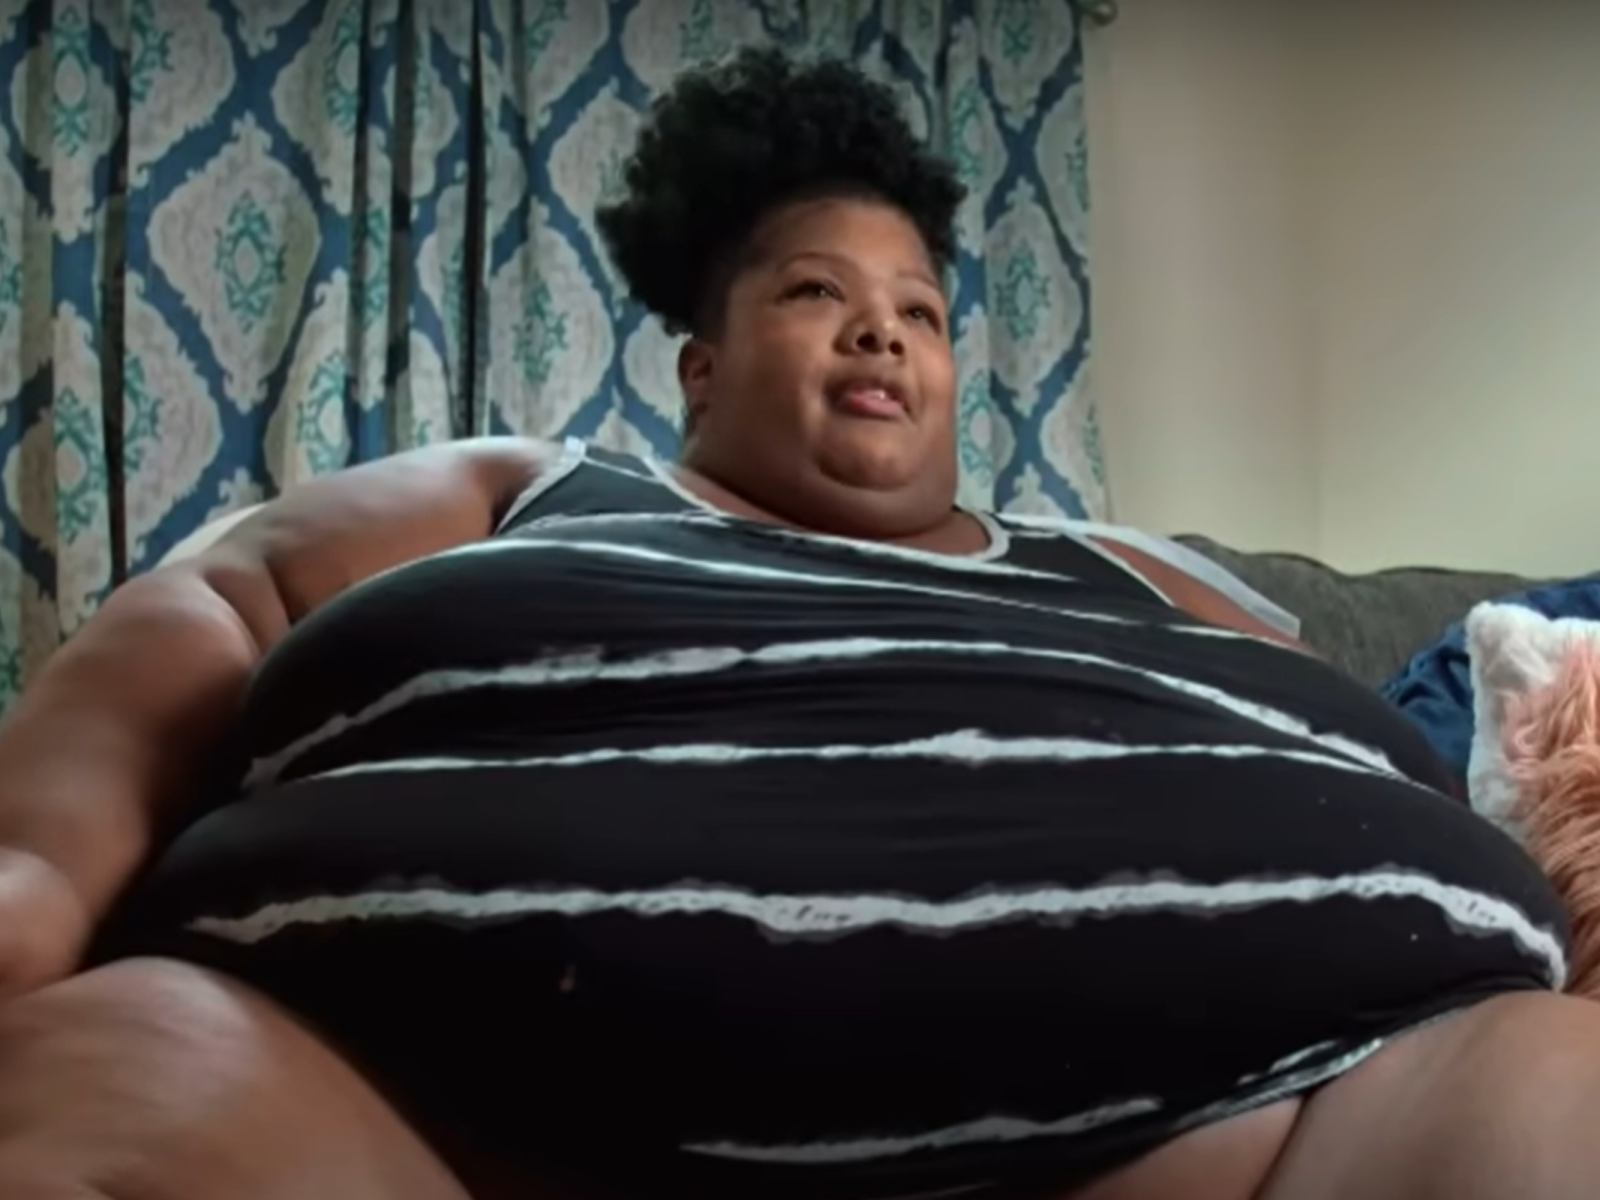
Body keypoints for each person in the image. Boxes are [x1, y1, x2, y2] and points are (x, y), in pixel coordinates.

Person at [0, 45, 1593, 1200]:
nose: (880, 333)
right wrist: (36, 875)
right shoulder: (530, 485)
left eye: (915, 309)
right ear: (701, 365)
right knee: (118, 1081)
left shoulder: (1132, 570)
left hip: (1262, 1134)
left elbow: (1353, 760)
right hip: (423, 1118)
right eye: (817, 293)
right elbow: (227, 598)